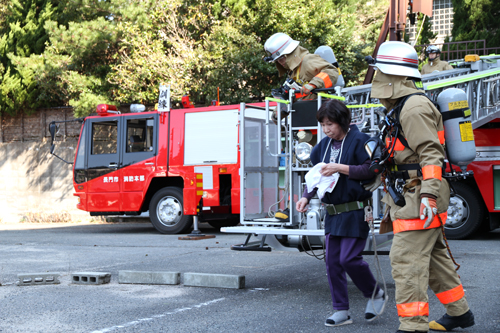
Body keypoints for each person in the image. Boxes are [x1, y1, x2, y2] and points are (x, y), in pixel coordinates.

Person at [365, 41, 474, 333]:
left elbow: (431, 154)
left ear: (395, 77)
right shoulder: (403, 106)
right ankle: (459, 312)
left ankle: (413, 326)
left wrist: (427, 194)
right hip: (414, 194)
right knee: (436, 259)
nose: (376, 80)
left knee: (406, 260)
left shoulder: (413, 108)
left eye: (380, 73)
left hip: (420, 196)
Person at [295, 99, 387, 327]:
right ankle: (341, 310)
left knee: (349, 259)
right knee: (332, 263)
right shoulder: (322, 147)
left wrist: (339, 168)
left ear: (343, 121)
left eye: (330, 124)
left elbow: (371, 169)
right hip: (333, 213)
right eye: (323, 124)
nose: (326, 129)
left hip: (356, 210)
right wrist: (306, 196)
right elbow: (315, 176)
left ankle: (375, 293)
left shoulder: (360, 140)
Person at [263, 32, 339, 100]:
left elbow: (332, 71)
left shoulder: (307, 60)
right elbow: (295, 98)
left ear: (289, 54)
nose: (280, 62)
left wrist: (313, 84)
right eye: (277, 61)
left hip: (322, 109)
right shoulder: (293, 71)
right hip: (306, 111)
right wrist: (278, 112)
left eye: (281, 58)